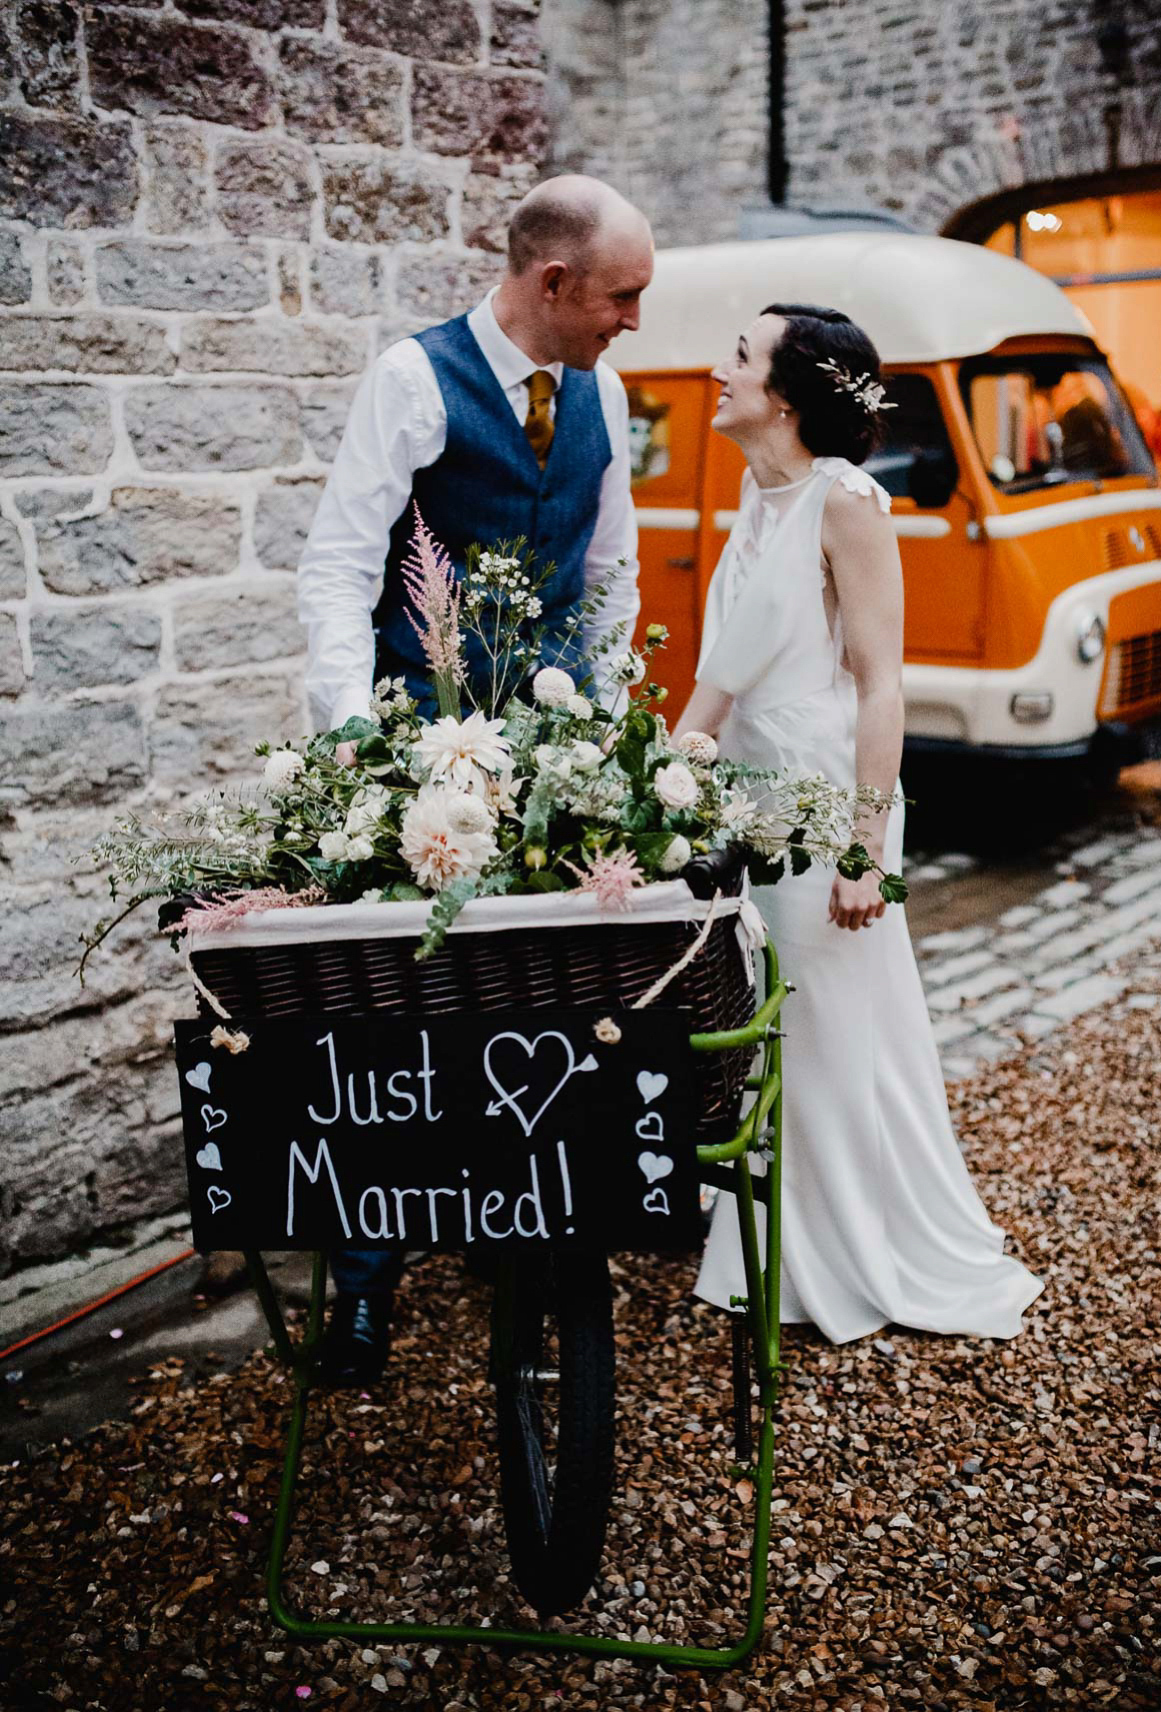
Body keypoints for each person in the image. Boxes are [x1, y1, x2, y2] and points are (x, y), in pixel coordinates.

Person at [296, 175, 653, 1382]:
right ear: (553, 283)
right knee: (396, 1003)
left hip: (553, 753)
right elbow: (341, 564)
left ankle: (531, 1224)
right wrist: (354, 740)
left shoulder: (608, 396)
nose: (633, 321)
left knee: (546, 990)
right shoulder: (413, 378)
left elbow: (612, 577)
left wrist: (602, 736)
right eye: (623, 296)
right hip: (417, 736)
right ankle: (363, 1278)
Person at [676, 304, 1043, 1344]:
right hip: (747, 791)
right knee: (773, 1017)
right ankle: (778, 1242)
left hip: (820, 799)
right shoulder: (759, 493)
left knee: (830, 1024)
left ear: (788, 395)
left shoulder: (849, 504)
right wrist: (649, 788)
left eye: (738, 355)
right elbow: (717, 678)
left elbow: (884, 685)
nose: (718, 367)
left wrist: (864, 851)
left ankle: (850, 1256)